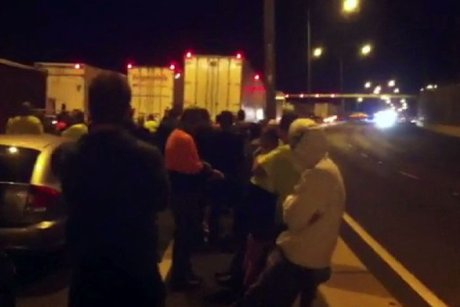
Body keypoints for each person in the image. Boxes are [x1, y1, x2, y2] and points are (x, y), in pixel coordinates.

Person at [57, 73, 169, 307]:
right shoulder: (147, 156)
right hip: (136, 269)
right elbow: (161, 201)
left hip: (89, 272)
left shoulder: (68, 156)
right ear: (126, 109)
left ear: (90, 107)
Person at [237, 119, 346, 307]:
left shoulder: (317, 175)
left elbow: (294, 218)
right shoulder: (328, 167)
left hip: (299, 257)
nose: (291, 148)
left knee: (257, 298)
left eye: (294, 143)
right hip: (316, 255)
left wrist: (289, 201)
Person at [165, 107, 223, 290]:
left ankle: (183, 273)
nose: (200, 127)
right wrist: (209, 170)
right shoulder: (184, 138)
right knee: (185, 234)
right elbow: (192, 167)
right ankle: (181, 277)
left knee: (183, 233)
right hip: (186, 192)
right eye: (199, 122)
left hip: (178, 190)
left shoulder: (176, 134)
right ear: (193, 121)